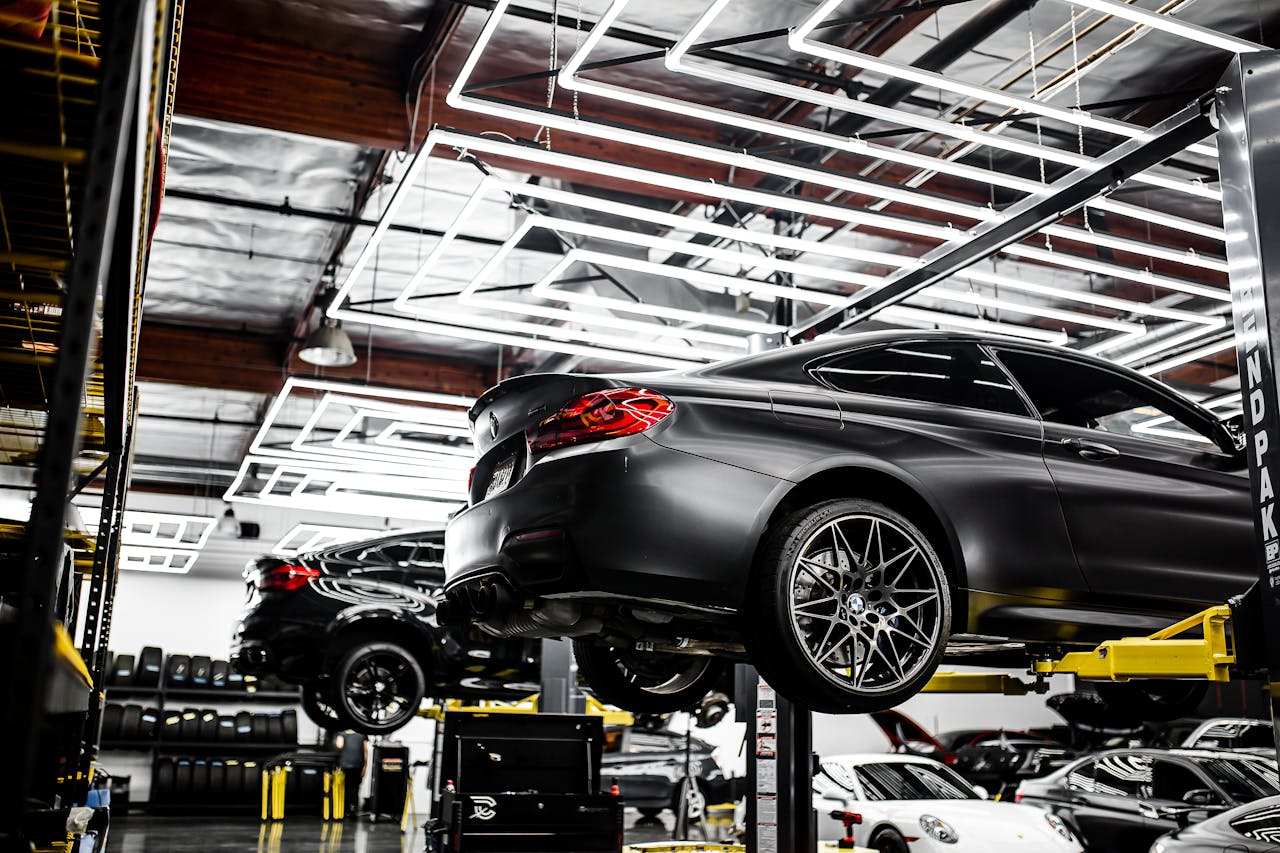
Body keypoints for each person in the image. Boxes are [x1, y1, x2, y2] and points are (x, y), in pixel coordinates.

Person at [332, 730, 367, 817]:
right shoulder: (362, 735)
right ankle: (353, 808)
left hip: (345, 764)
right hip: (358, 764)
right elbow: (366, 751)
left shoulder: (341, 734)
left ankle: (345, 809)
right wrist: (365, 766)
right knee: (355, 787)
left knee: (346, 787)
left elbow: (339, 745)